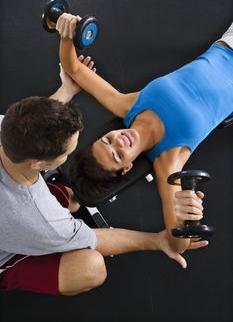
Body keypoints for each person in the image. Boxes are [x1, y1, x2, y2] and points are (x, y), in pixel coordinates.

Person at [0, 53, 191, 297]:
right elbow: (95, 239)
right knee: (91, 267)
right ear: (38, 163)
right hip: (11, 241)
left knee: (67, 198)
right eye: (66, 154)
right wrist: (157, 240)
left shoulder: (8, 127)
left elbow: (31, 122)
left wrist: (66, 90)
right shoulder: (45, 219)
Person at [56, 13, 233, 255]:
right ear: (127, 168)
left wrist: (66, 35)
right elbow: (177, 243)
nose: (119, 141)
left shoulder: (130, 106)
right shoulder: (168, 161)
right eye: (118, 156)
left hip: (227, 44)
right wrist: (181, 213)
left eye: (108, 140)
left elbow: (72, 67)